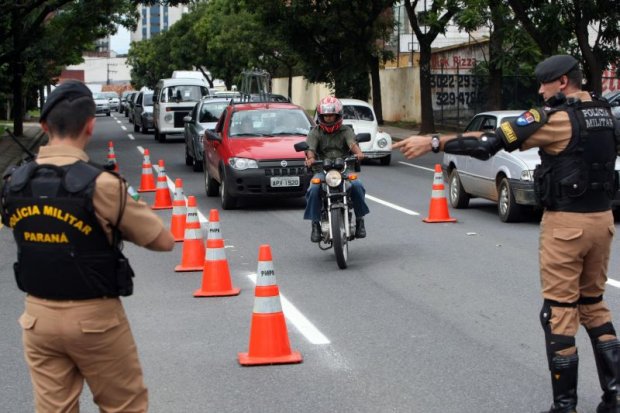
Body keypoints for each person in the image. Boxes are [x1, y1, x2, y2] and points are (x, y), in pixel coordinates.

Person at [394, 55, 620, 413]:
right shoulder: (605, 114)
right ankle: (614, 397)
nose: (539, 90)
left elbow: (488, 142)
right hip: (603, 220)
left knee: (559, 312)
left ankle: (565, 407)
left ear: (562, 82)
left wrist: (435, 142)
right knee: (593, 305)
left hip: (567, 226)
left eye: (543, 83)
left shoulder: (556, 119)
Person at [0, 80, 175, 412]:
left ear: (43, 126)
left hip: (38, 319)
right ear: (91, 126)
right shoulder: (102, 185)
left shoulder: (15, 183)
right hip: (96, 320)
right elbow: (162, 240)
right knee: (124, 406)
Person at [304, 96, 370, 241]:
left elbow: (352, 143)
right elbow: (311, 148)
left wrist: (358, 153)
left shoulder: (345, 130)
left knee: (357, 185)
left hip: (344, 168)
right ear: (321, 116)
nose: (328, 118)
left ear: (338, 115)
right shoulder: (315, 132)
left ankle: (360, 220)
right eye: (325, 116)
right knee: (313, 188)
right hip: (322, 169)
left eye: (331, 115)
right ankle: (315, 224)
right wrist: (310, 159)